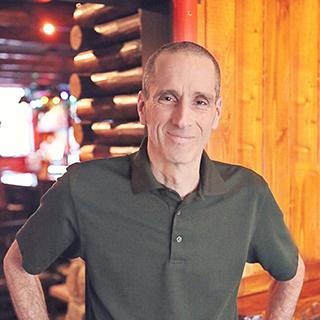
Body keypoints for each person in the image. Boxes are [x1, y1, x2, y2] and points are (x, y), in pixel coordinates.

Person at [4, 41, 304, 320]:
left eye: (200, 101)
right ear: (143, 107)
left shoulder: (249, 193)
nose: (182, 118)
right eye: (168, 98)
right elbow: (18, 264)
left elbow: (291, 272)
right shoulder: (83, 186)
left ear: (216, 112)